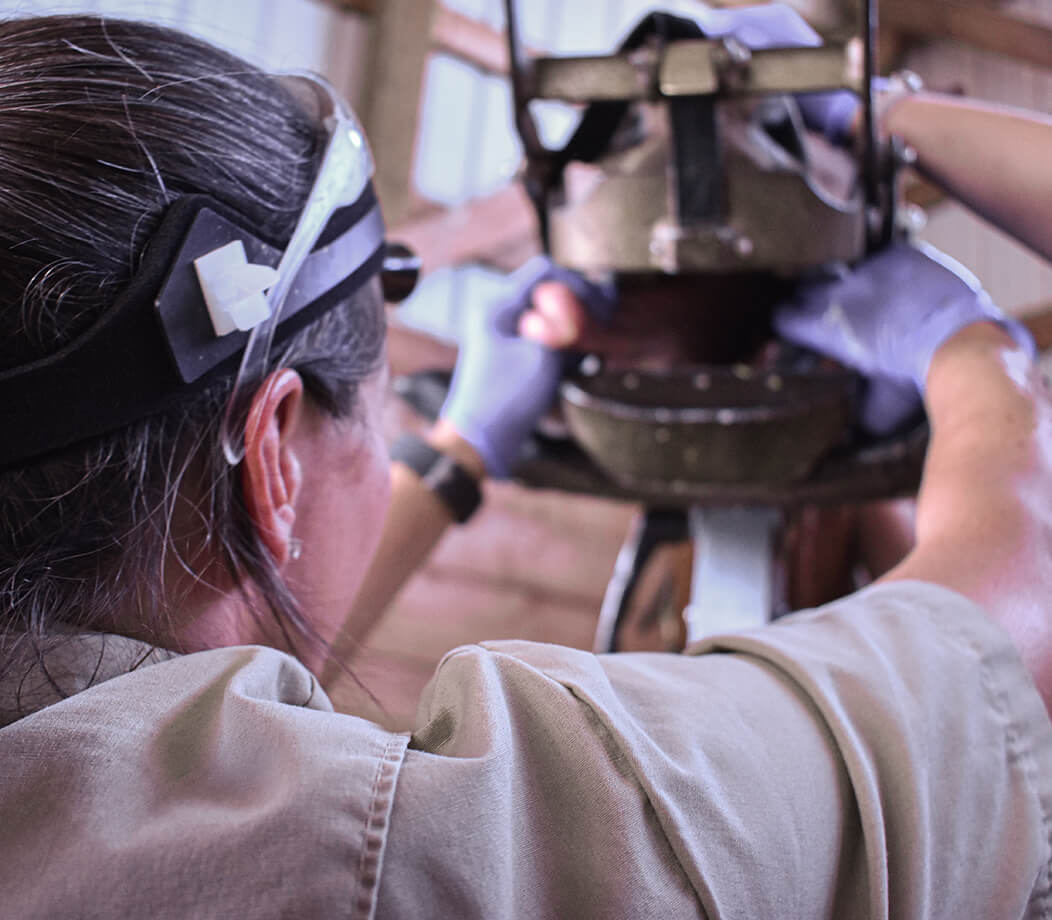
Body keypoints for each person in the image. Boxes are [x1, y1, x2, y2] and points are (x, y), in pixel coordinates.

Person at [1, 10, 1051, 920]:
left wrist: (459, 449)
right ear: (271, 453)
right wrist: (971, 349)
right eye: (379, 416)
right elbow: (991, 653)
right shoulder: (386, 851)